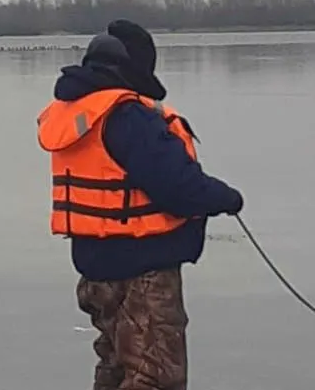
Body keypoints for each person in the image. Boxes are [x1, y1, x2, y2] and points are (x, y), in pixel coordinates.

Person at [36, 19, 244, 390]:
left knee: (116, 368)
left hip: (96, 271)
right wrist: (226, 197)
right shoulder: (126, 115)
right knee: (157, 376)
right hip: (142, 272)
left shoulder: (79, 111)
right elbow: (177, 186)